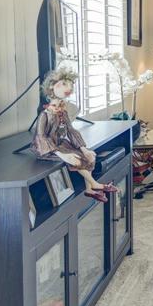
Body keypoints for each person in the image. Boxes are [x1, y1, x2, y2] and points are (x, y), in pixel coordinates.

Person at [31, 63, 118, 202]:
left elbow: (70, 130)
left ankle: (89, 190)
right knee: (76, 160)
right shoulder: (45, 114)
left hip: (60, 143)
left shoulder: (62, 112)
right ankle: (95, 184)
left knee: (89, 156)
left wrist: (83, 148)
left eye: (71, 85)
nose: (69, 88)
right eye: (64, 84)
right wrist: (62, 155)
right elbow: (40, 137)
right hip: (47, 148)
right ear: (52, 86)